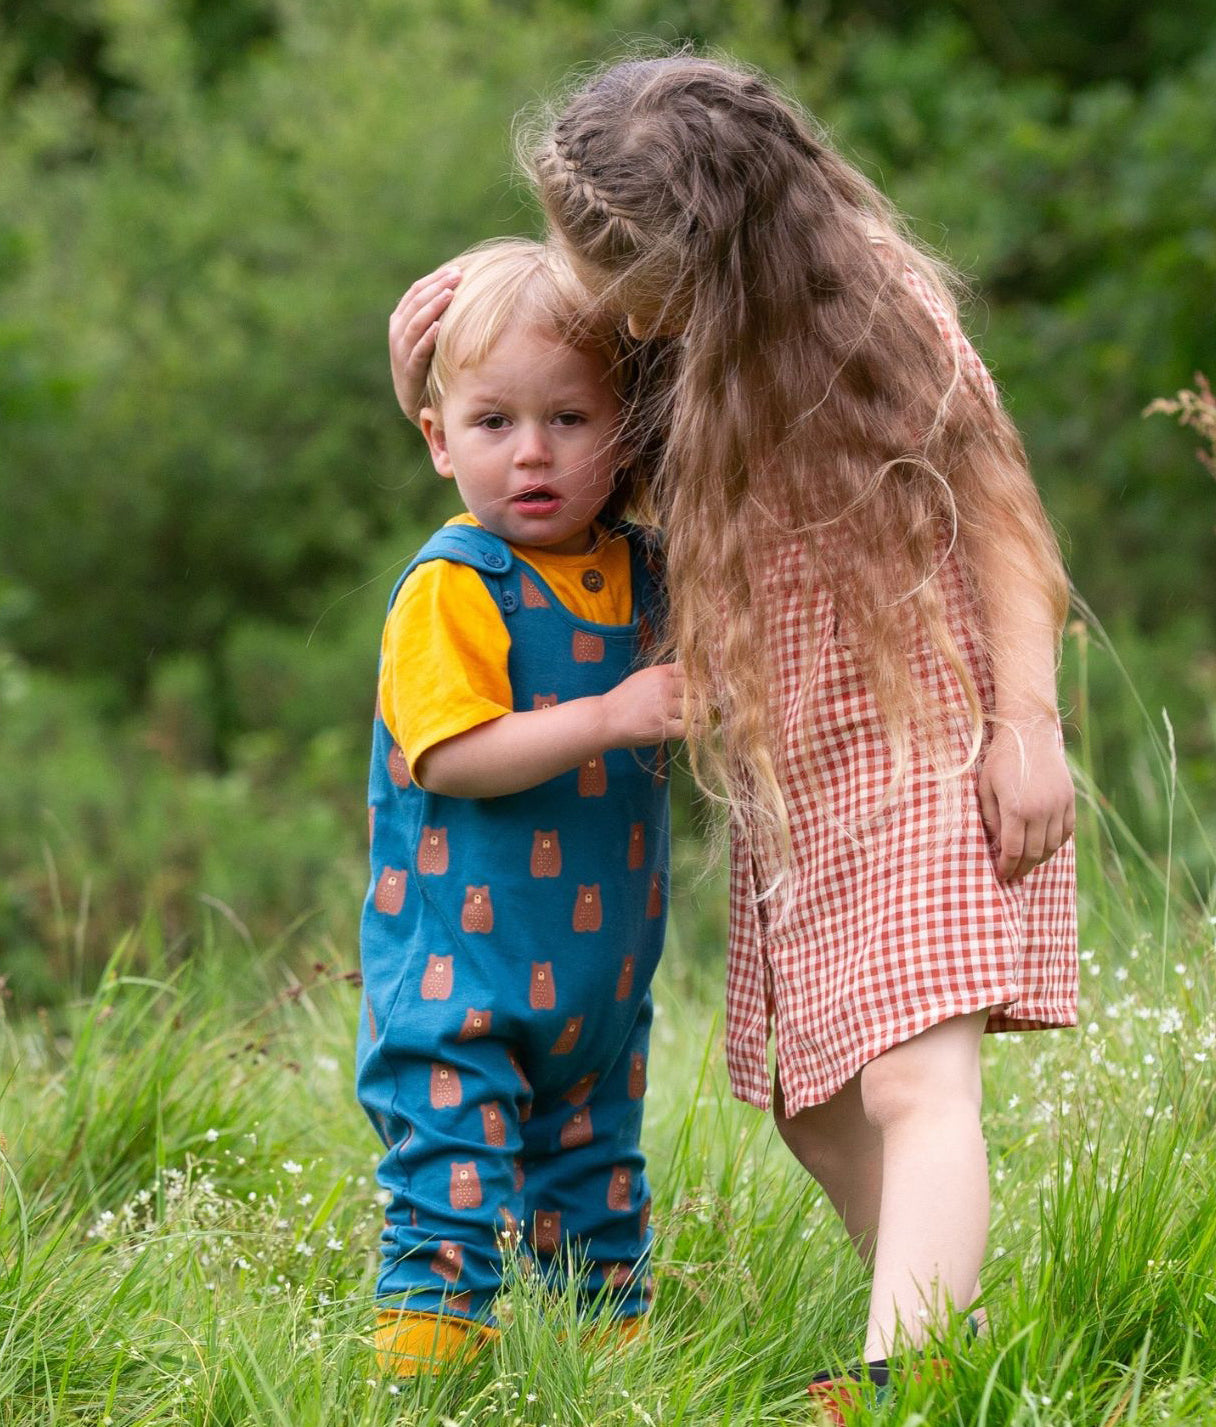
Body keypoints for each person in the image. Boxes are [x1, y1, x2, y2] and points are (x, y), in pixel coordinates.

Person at [389, 54, 1078, 1413]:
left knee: (910, 1077)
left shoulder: (880, 312)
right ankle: (965, 1345)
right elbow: (542, 442)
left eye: (594, 261)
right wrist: (432, 339)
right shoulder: (673, 338)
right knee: (812, 1100)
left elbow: (1000, 517)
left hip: (922, 726)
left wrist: (1028, 725)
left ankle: (909, 1379)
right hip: (791, 776)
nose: (578, 282)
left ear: (694, 253)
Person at [360, 238, 683, 1377]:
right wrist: (611, 714)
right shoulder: (455, 583)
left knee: (593, 1181)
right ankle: (423, 1379)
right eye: (492, 423)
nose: (532, 453)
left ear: (627, 434)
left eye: (571, 419)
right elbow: (449, 756)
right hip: (459, 975)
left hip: (598, 980)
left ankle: (604, 1376)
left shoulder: (645, 568)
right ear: (437, 438)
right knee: (450, 1186)